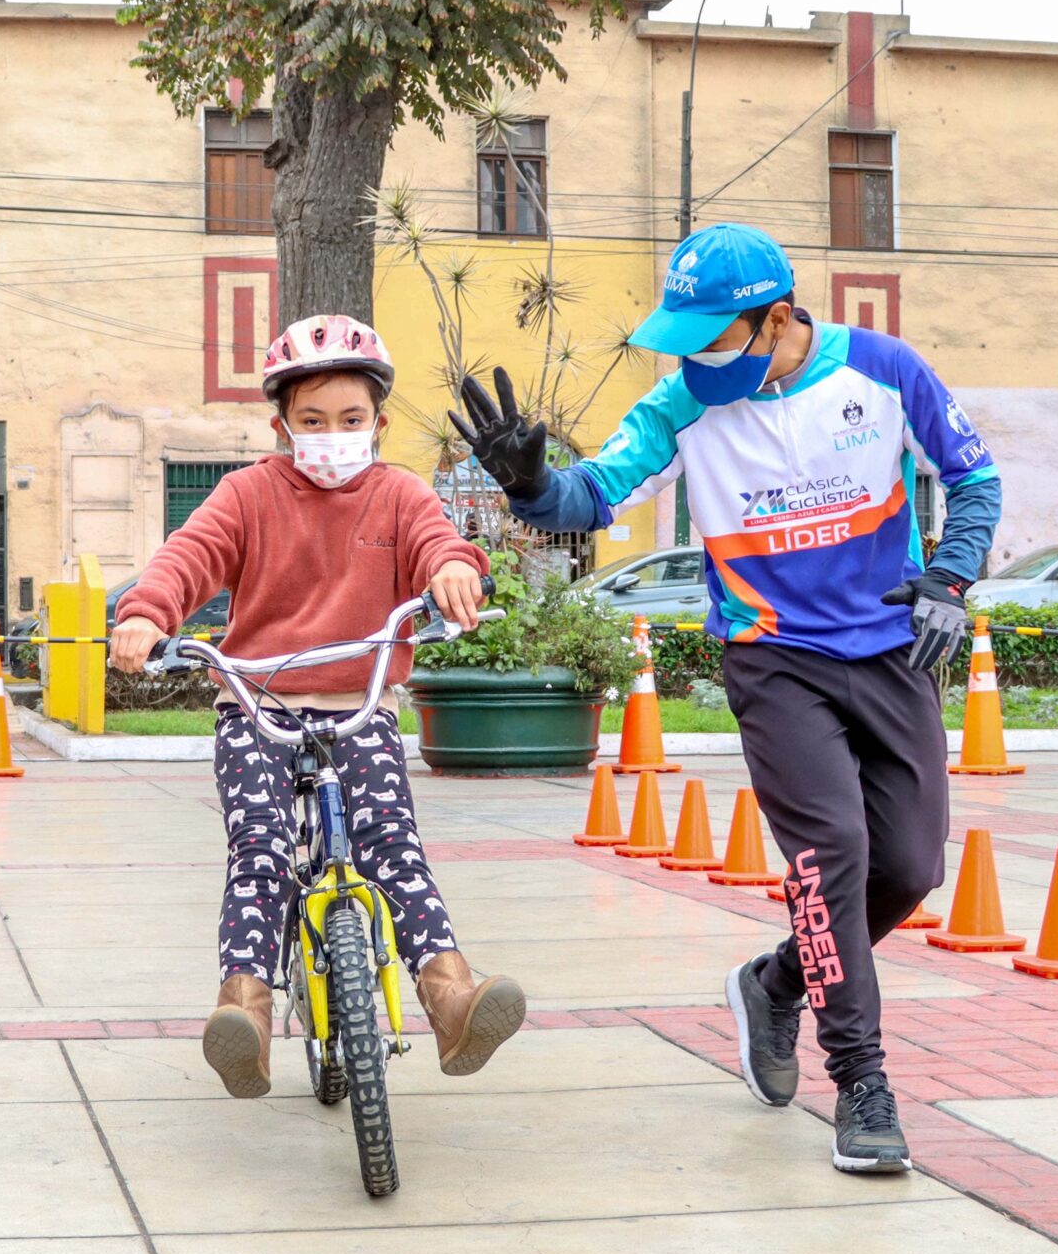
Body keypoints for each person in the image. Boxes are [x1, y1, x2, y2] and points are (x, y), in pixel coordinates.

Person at [453, 222, 1001, 1174]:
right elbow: (596, 490)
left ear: (777, 319)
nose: (695, 357)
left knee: (910, 869)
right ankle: (862, 1085)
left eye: (713, 338)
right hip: (773, 659)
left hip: (890, 650)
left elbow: (974, 479)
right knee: (831, 860)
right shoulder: (682, 404)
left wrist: (950, 578)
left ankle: (775, 981)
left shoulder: (882, 369)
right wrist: (533, 484)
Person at [106, 314, 523, 1098]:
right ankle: (246, 1015)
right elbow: (188, 556)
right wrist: (146, 612)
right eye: (314, 420)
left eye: (351, 419)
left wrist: (453, 571)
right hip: (257, 707)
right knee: (260, 850)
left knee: (391, 842)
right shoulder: (247, 494)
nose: (334, 435)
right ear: (283, 427)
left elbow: (438, 542)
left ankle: (451, 997)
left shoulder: (399, 493)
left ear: (379, 425)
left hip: (360, 706)